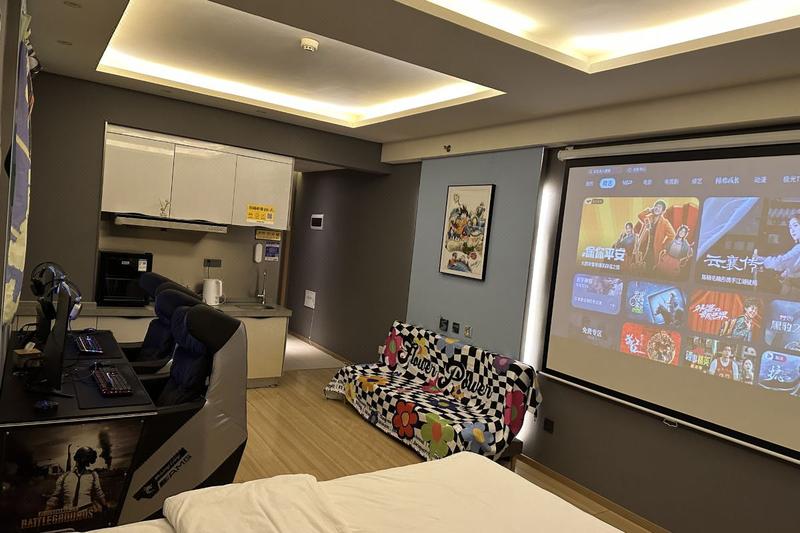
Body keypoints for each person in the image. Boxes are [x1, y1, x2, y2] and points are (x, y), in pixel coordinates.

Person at [45, 446, 108, 512]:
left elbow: (99, 493)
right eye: (81, 459)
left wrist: (105, 507)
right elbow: (55, 497)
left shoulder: (93, 475)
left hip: (86, 513)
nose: (82, 462)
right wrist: (45, 512)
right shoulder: (64, 476)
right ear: (77, 459)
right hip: (67, 514)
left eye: (85, 460)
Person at [637, 200, 676, 270]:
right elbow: (640, 215)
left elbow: (672, 235)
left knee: (649, 268)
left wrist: (663, 245)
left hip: (653, 249)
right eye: (656, 206)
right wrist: (649, 210)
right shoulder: (649, 217)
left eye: (660, 207)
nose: (657, 208)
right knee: (638, 265)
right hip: (643, 246)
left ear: (662, 211)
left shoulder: (665, 222)